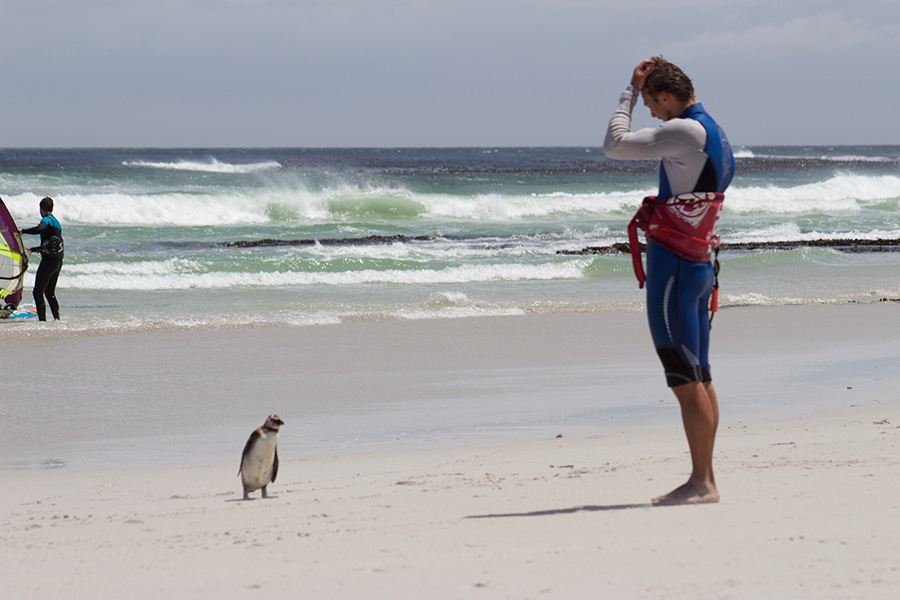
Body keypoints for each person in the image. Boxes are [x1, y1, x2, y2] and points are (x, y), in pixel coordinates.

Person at [603, 57, 735, 505]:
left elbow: (615, 145)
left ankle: (702, 482)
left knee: (682, 375)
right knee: (698, 372)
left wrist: (626, 94)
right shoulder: (716, 133)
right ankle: (706, 477)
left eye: (651, 105)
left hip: (675, 268)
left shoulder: (685, 131)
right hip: (697, 265)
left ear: (663, 97)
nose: (653, 115)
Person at [20, 196, 64, 321]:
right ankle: (57, 319)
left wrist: (23, 231)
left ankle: (42, 322)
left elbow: (40, 229)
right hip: (57, 261)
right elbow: (52, 244)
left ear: (41, 209)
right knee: (49, 293)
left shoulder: (47, 220)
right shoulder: (57, 223)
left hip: (48, 261)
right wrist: (34, 249)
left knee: (38, 292)